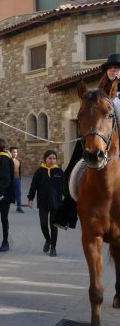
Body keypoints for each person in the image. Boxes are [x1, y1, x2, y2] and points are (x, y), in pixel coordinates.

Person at [53, 53, 120, 229]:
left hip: (117, 137)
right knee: (72, 169)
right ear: (106, 71)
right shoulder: (99, 90)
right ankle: (68, 212)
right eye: (111, 68)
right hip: (98, 135)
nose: (114, 70)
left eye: (117, 68)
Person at [28, 150, 64, 257]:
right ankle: (48, 240)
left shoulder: (59, 172)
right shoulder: (39, 171)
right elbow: (33, 186)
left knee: (53, 225)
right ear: (45, 159)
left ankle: (53, 247)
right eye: (50, 158)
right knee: (43, 224)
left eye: (54, 158)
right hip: (43, 202)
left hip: (56, 203)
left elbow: (64, 189)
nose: (52, 160)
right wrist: (30, 199)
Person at [10, 146, 24, 213]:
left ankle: (19, 207)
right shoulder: (8, 160)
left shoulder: (18, 161)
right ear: (10, 152)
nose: (14, 153)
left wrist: (19, 178)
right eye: (13, 152)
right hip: (9, 180)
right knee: (6, 193)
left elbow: (19, 170)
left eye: (16, 152)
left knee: (18, 193)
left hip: (17, 179)